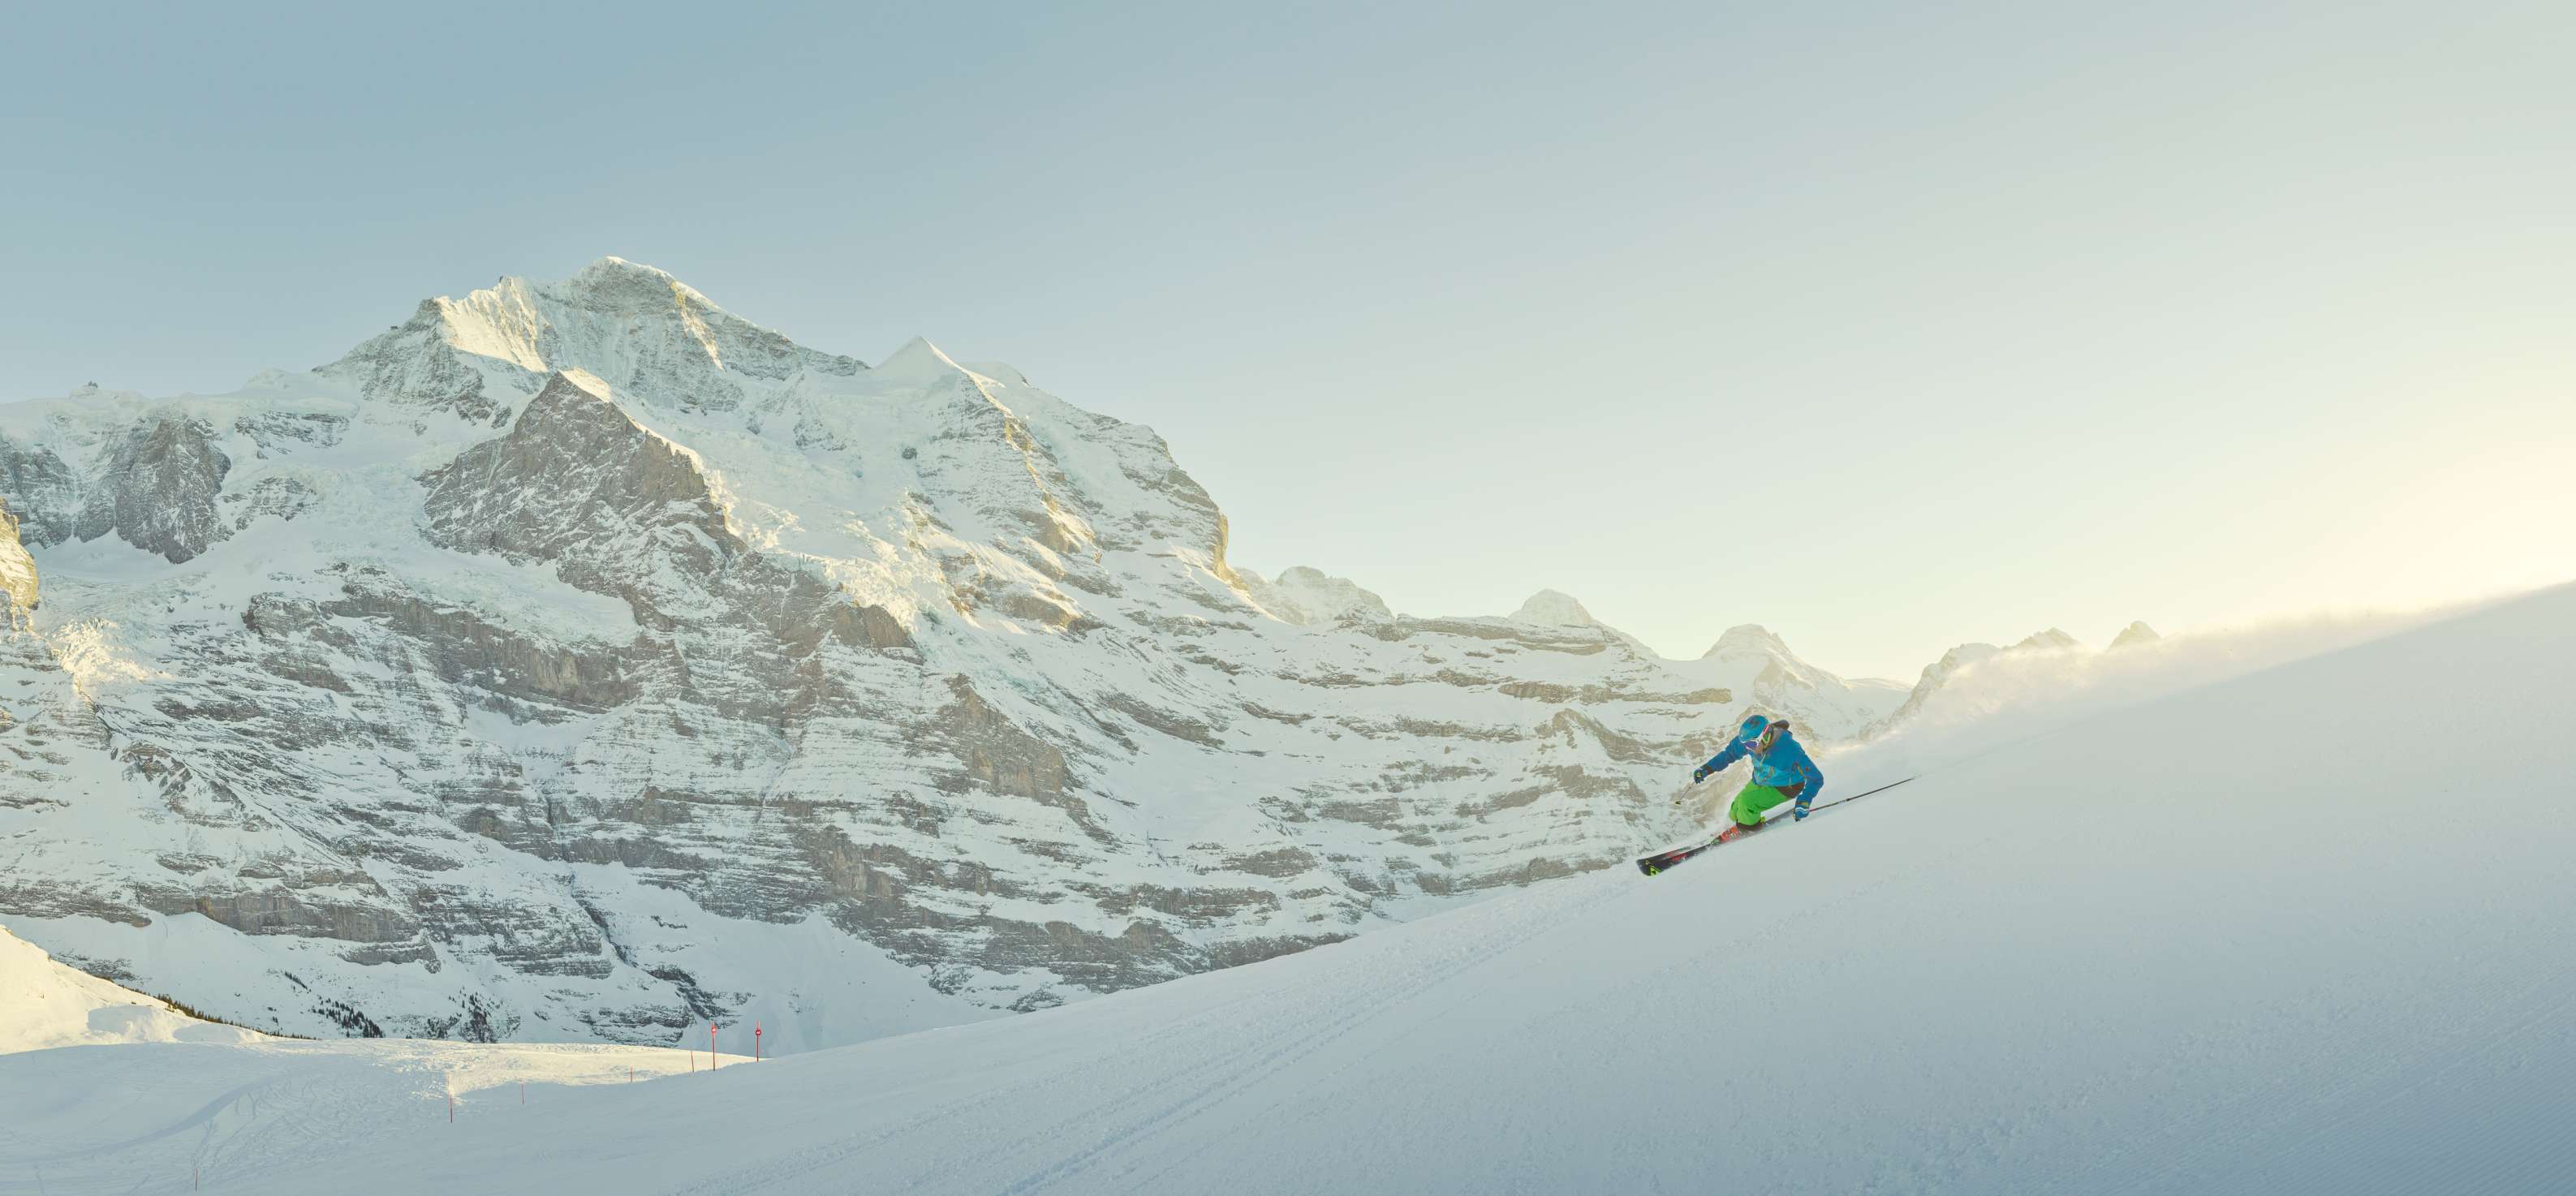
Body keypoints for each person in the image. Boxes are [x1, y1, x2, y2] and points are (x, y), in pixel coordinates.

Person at [1686, 714, 1824, 841]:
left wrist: (1804, 802)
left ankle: (1748, 831)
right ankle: (1738, 823)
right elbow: (1729, 754)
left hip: (1786, 787)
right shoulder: (1750, 741)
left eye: (1751, 745)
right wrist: (1707, 768)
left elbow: (1816, 778)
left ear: (1765, 736)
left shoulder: (1790, 750)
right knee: (1736, 807)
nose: (1748, 749)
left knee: (1748, 803)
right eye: (1746, 745)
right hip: (1761, 780)